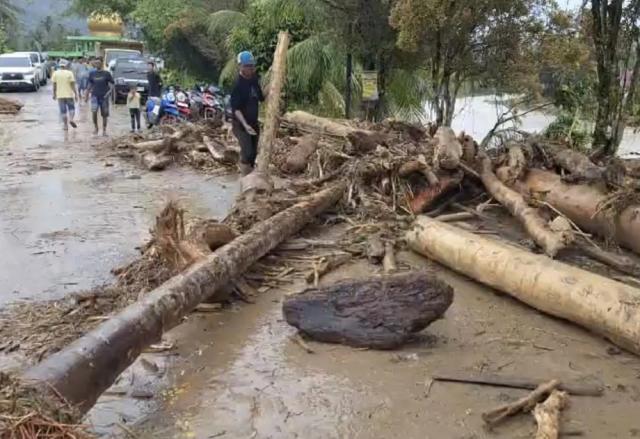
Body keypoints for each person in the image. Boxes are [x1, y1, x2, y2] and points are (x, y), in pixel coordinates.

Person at [230, 51, 265, 175]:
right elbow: (236, 109)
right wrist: (245, 125)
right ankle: (245, 180)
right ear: (240, 66)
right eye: (246, 66)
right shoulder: (237, 85)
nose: (249, 69)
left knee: (254, 153)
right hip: (240, 125)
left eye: (251, 66)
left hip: (253, 122)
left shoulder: (254, 79)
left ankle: (251, 176)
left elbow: (261, 97)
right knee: (247, 152)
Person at [86, 59, 114, 136]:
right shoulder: (92, 74)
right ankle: (96, 128)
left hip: (104, 96)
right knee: (94, 112)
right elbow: (89, 85)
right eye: (95, 63)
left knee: (104, 114)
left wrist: (109, 92)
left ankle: (104, 130)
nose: (97, 64)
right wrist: (86, 95)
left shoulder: (106, 73)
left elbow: (112, 84)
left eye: (98, 63)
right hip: (94, 96)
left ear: (102, 64)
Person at [51, 59, 78, 131]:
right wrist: (76, 94)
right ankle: (71, 119)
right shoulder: (70, 73)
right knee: (71, 108)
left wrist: (54, 94)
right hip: (69, 95)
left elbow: (54, 85)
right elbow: (72, 85)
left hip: (60, 95)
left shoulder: (55, 73)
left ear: (59, 66)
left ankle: (65, 125)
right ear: (66, 66)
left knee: (63, 111)